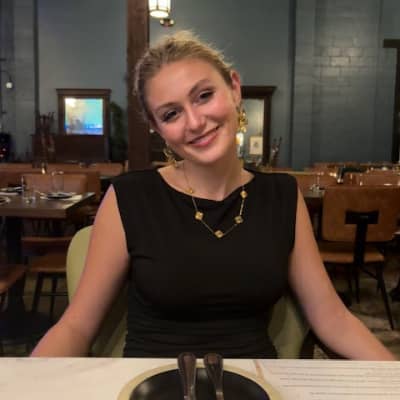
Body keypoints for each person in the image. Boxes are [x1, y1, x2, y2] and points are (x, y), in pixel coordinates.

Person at [31, 31, 395, 360]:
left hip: (255, 385)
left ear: (234, 89)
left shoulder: (282, 195)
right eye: (171, 114)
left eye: (204, 96)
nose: (194, 122)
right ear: (157, 128)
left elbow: (332, 317)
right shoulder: (129, 197)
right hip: (150, 386)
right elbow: (76, 326)